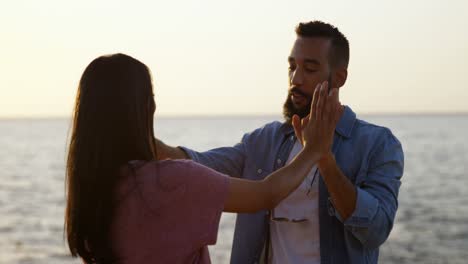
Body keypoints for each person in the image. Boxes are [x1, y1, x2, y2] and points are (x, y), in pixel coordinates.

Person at [156, 21, 405, 264]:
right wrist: (147, 142)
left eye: (309, 69)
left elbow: (376, 230)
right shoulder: (264, 140)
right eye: (291, 67)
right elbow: (201, 166)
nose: (295, 79)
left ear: (339, 78)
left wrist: (324, 160)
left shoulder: (378, 144)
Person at [64, 53, 341, 263]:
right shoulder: (172, 180)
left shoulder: (90, 194)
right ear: (147, 107)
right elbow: (266, 194)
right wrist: (313, 150)